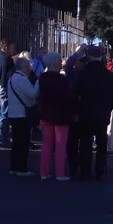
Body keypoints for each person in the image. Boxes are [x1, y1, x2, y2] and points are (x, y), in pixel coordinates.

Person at [75, 46, 113, 180]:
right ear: (101, 57)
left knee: (85, 144)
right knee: (101, 145)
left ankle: (85, 171)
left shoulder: (83, 74)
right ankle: (100, 171)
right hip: (102, 114)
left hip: (85, 113)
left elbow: (76, 94)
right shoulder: (108, 75)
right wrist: (107, 109)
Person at [37, 52, 73, 181]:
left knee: (46, 145)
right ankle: (60, 173)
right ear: (54, 63)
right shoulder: (62, 79)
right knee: (60, 145)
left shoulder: (42, 77)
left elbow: (38, 93)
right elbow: (68, 97)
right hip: (61, 116)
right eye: (59, 61)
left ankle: (44, 172)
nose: (60, 63)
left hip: (46, 114)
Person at [6, 54, 39, 175]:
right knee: (23, 143)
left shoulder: (12, 78)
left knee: (16, 143)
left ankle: (14, 167)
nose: (30, 68)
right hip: (22, 114)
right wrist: (39, 82)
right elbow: (33, 94)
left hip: (14, 114)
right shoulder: (22, 79)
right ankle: (21, 168)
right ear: (23, 67)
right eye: (29, 66)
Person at [0, 38, 15, 148]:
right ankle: (0, 140)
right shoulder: (6, 59)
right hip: (4, 90)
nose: (13, 49)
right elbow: (6, 76)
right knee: (5, 115)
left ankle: (3, 138)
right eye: (11, 47)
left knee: (5, 114)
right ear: (6, 48)